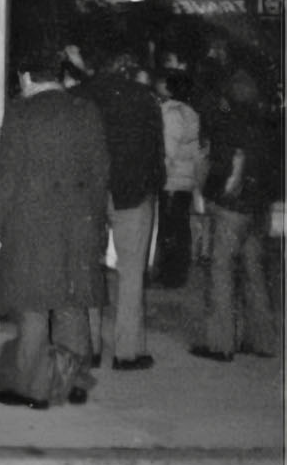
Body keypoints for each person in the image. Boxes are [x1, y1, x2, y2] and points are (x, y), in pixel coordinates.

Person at [0, 49, 110, 409]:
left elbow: (6, 175)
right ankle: (74, 382)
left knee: (34, 304)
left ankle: (34, 388)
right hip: (79, 222)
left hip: (32, 224)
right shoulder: (86, 111)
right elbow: (101, 173)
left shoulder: (22, 112)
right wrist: (97, 222)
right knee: (72, 302)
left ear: (26, 76)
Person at [75, 48, 165, 371]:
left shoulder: (82, 96)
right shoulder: (143, 99)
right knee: (130, 273)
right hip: (133, 195)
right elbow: (156, 149)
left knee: (89, 269)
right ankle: (127, 352)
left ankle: (90, 346)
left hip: (90, 196)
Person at [189, 72, 279, 362]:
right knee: (254, 272)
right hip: (258, 206)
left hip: (231, 207)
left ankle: (221, 343)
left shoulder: (226, 123)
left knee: (222, 271)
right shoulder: (268, 124)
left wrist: (208, 193)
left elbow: (218, 165)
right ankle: (262, 340)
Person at [153, 70, 202, 290]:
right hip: (186, 179)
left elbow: (168, 151)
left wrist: (158, 176)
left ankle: (168, 275)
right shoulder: (191, 113)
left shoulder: (171, 113)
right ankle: (177, 274)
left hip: (171, 180)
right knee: (180, 227)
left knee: (169, 228)